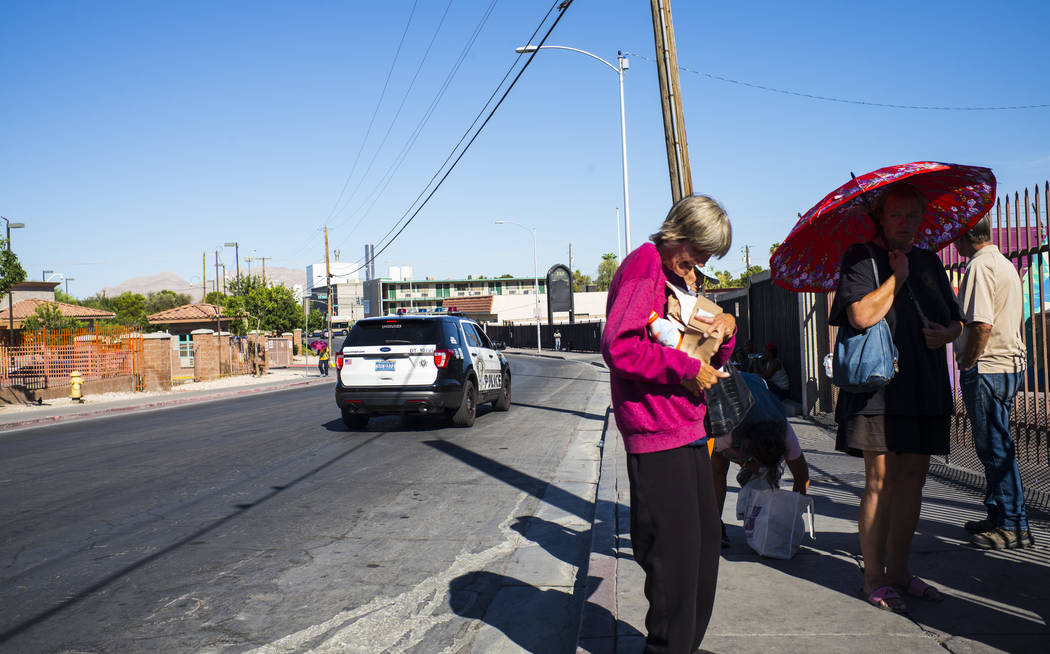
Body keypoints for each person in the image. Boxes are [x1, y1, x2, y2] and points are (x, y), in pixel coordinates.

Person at [601, 194, 736, 654]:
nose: (701, 262)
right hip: (657, 433)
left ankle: (684, 646)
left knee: (701, 557)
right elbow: (619, 346)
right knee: (675, 563)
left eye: (708, 255)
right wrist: (685, 370)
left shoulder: (679, 276)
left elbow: (700, 354)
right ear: (677, 233)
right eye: (698, 250)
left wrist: (724, 333)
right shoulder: (644, 264)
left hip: (688, 426)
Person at [830, 182, 963, 613]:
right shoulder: (860, 258)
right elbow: (860, 314)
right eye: (896, 215)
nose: (905, 223)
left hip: (923, 386)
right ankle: (872, 578)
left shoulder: (928, 261)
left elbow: (956, 320)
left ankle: (900, 573)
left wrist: (948, 333)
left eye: (912, 215)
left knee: (912, 484)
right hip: (878, 392)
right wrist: (896, 277)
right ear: (880, 218)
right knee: (880, 483)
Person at [952, 215, 1033, 549]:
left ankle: (1014, 525)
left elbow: (981, 325)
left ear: (965, 235)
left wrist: (968, 361)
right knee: (995, 446)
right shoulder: (1001, 263)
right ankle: (999, 515)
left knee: (995, 449)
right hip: (1007, 364)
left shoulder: (979, 267)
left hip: (989, 367)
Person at [710, 372, 810, 546]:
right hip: (723, 388)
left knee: (769, 476)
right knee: (718, 470)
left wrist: (789, 519)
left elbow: (802, 477)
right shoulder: (729, 430)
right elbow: (717, 453)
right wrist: (747, 464)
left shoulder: (785, 432)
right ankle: (714, 527)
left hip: (757, 388)